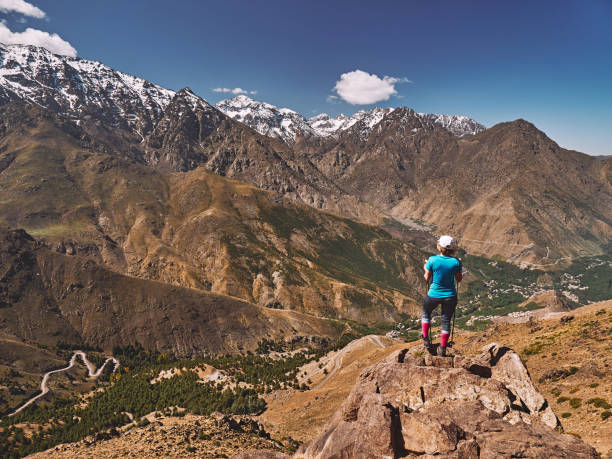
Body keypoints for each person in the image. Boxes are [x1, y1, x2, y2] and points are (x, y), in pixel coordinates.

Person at [422, 235, 462, 357]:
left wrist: (426, 267)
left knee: (426, 313)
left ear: (439, 247)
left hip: (434, 294)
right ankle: (443, 348)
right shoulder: (456, 262)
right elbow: (458, 279)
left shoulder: (432, 260)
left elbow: (427, 278)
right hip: (450, 295)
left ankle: (426, 339)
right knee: (446, 320)